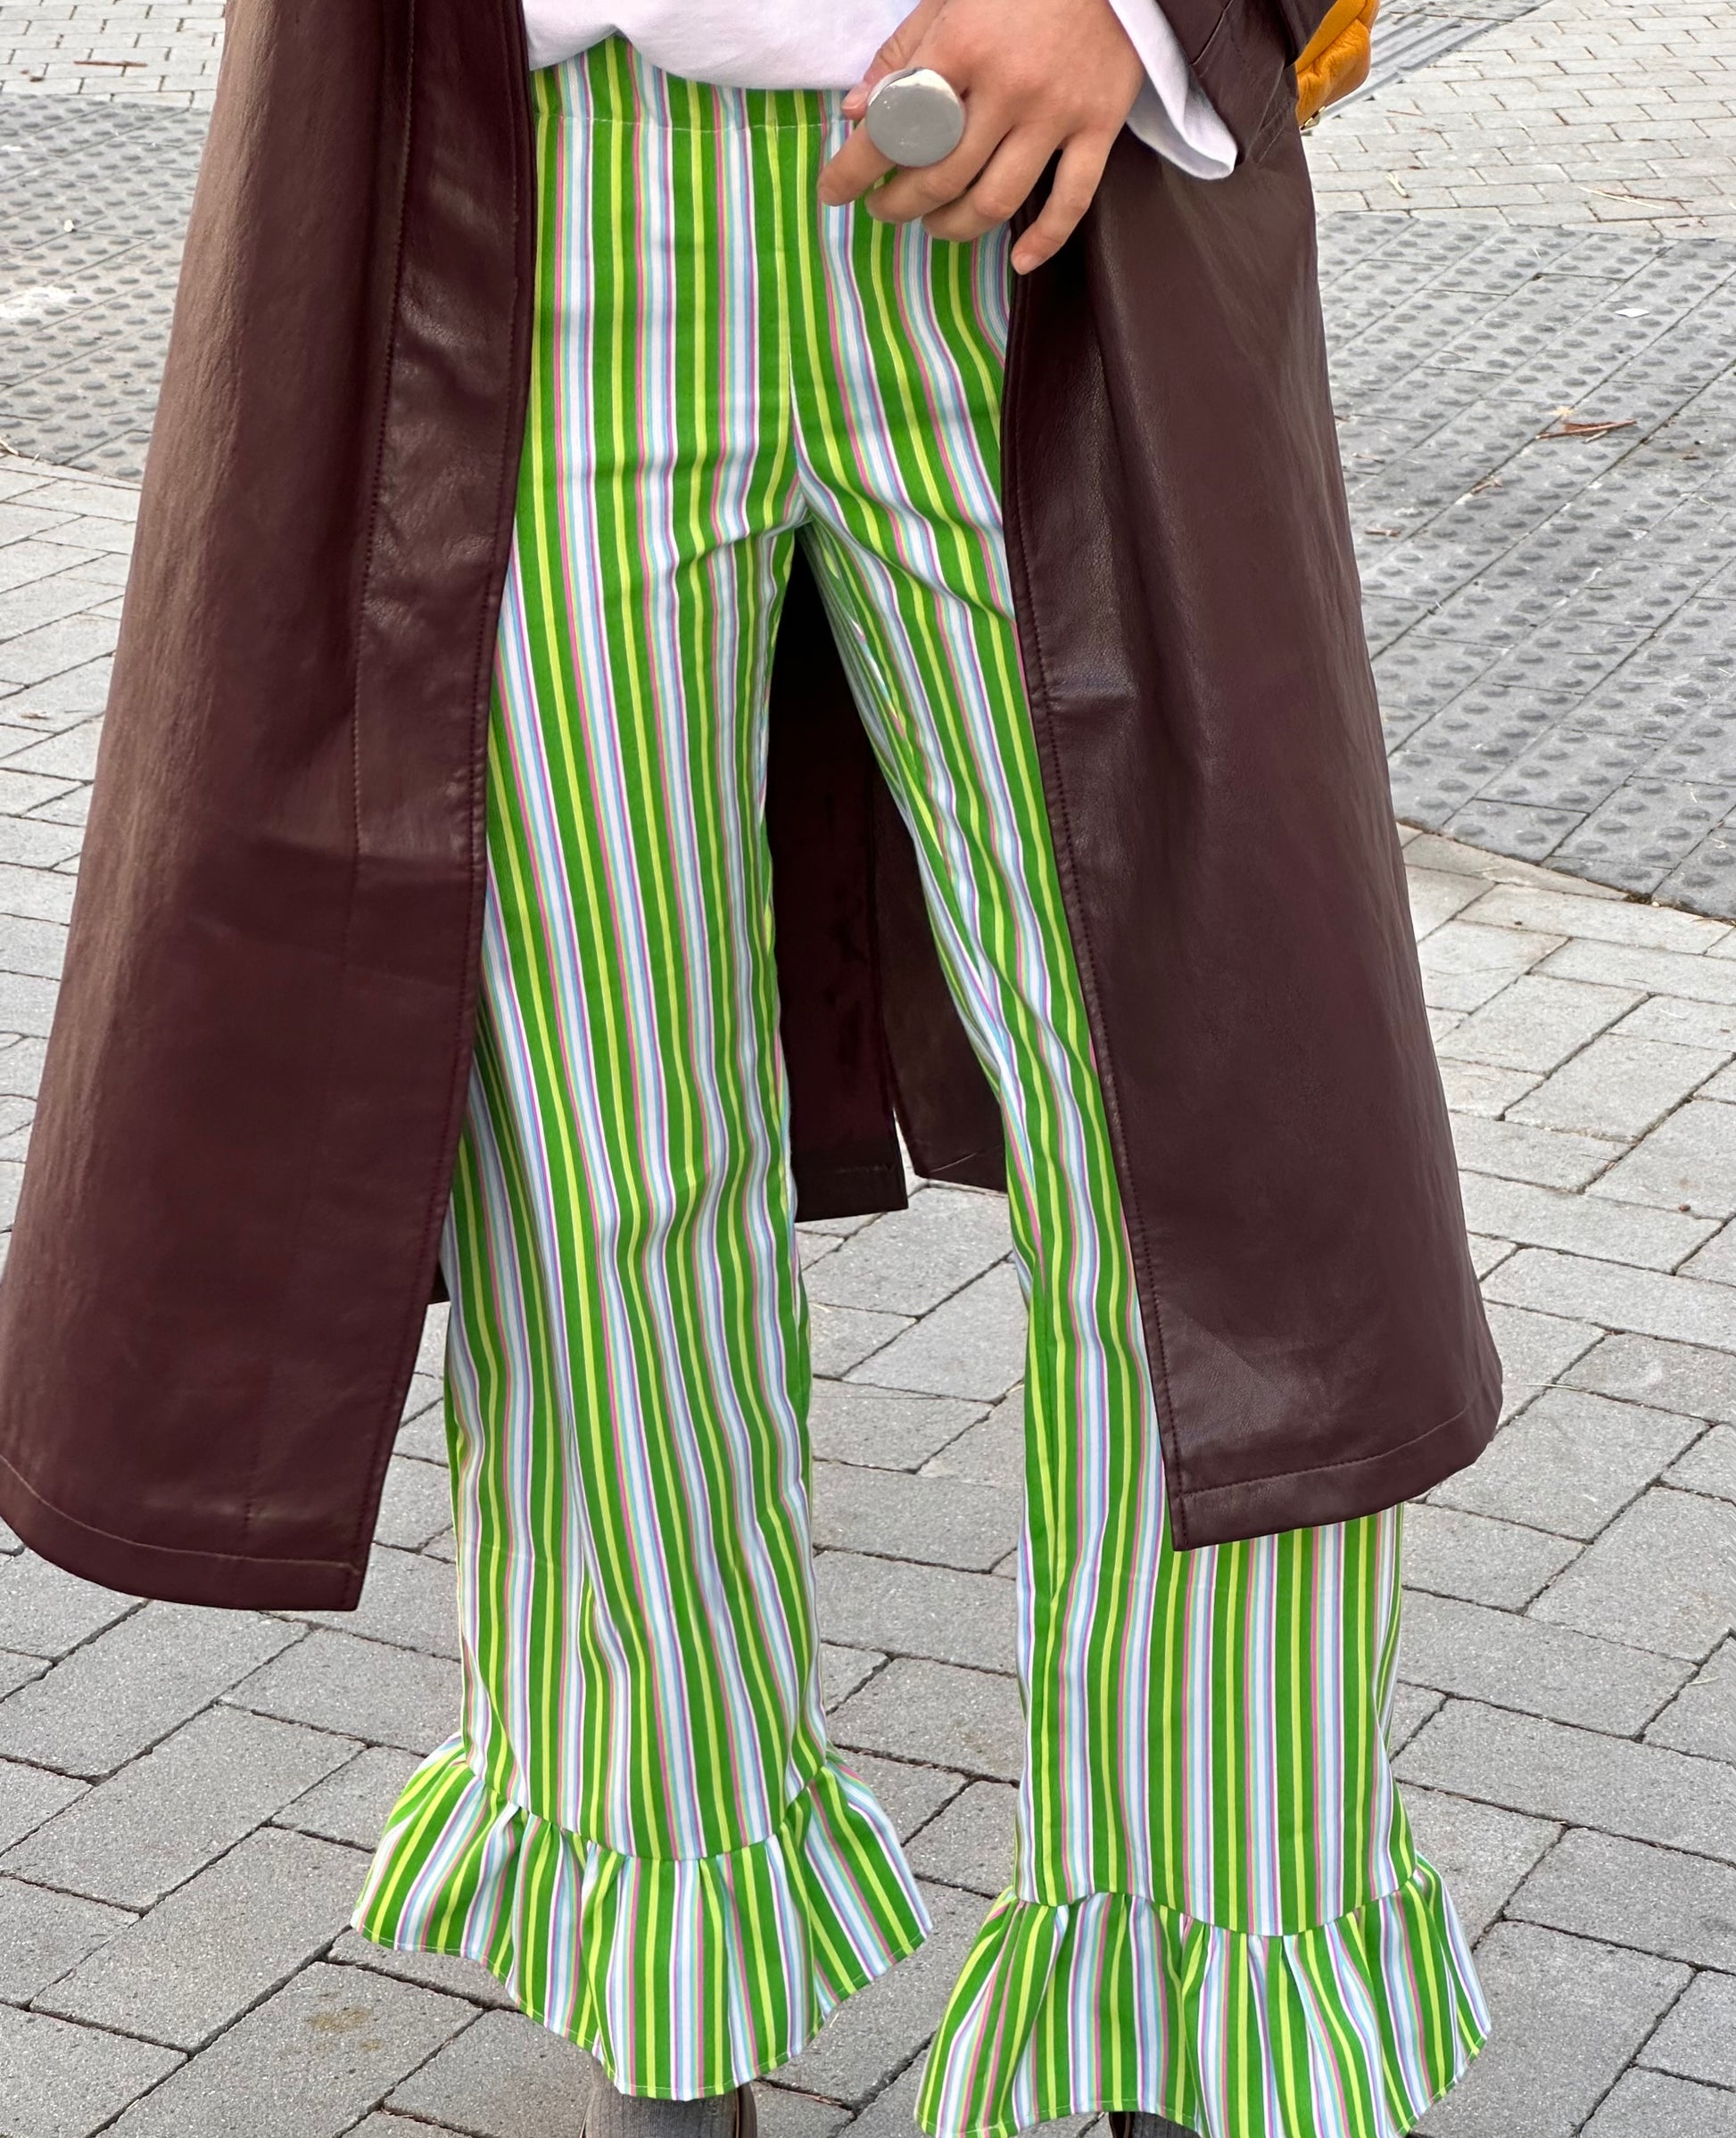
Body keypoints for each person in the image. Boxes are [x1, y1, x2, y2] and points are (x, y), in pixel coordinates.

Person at [0, 1, 1496, 2133]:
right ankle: (671, 1945)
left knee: (1212, 1153)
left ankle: (1218, 1964)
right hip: (533, 185)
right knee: (598, 1162)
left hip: (1051, 188)